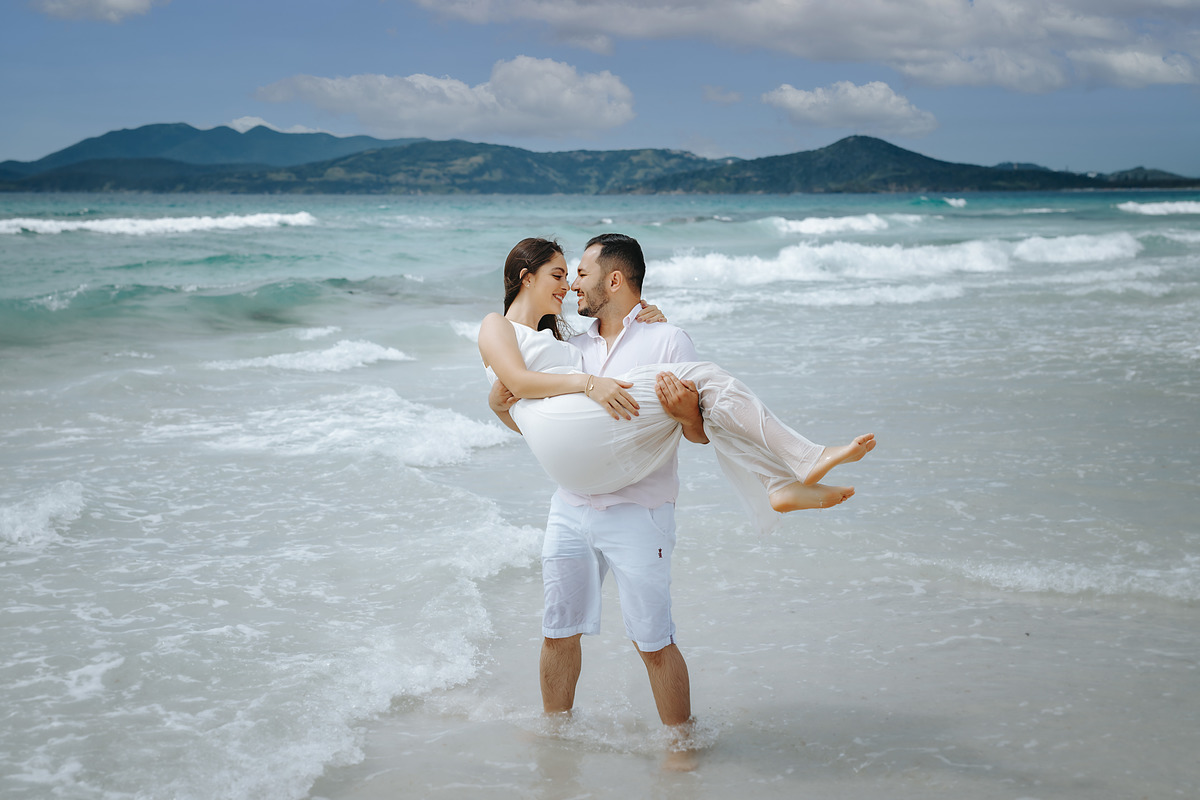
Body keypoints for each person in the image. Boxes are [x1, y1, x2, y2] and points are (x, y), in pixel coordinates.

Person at [479, 235, 874, 757]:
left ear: (613, 280)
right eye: (562, 275)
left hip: (639, 508)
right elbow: (546, 417)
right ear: (528, 278)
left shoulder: (666, 339)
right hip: (572, 504)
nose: (572, 284)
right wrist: (501, 404)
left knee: (653, 641)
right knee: (558, 631)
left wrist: (687, 412)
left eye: (579, 273)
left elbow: (700, 433)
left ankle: (681, 746)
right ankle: (556, 734)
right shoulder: (573, 346)